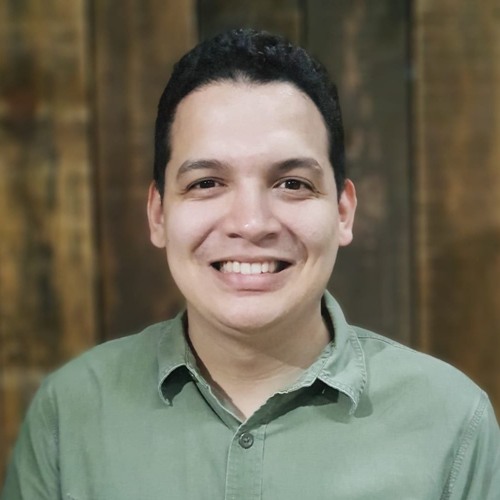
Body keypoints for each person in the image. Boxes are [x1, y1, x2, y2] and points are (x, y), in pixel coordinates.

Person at [2, 28, 499, 500]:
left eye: (292, 184)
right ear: (158, 214)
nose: (251, 222)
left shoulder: (452, 423)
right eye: (206, 183)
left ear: (343, 212)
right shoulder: (69, 414)